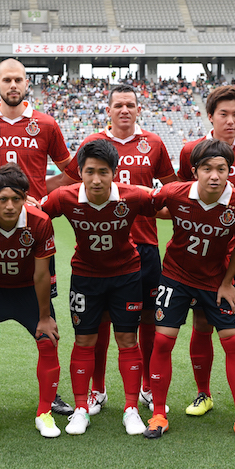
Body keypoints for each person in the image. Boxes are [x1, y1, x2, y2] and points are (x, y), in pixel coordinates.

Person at [0, 58, 73, 417]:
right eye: (7, 79)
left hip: (33, 230)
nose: (13, 85)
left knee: (44, 314)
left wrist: (43, 199)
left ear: (26, 84)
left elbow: (72, 172)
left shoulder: (46, 124)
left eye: (19, 79)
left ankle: (50, 398)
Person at [53, 84, 177, 416]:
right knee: (101, 322)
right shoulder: (93, 145)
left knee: (147, 319)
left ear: (139, 110)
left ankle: (147, 386)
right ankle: (97, 389)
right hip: (100, 252)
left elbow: (170, 190)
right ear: (108, 111)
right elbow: (66, 185)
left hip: (145, 247)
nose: (124, 110)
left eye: (130, 105)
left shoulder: (155, 143)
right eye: (118, 105)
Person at [144, 139, 235, 441]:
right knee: (162, 342)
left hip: (215, 282)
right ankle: (158, 413)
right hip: (175, 277)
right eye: (207, 168)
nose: (214, 175)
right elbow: (147, 203)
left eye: (221, 169)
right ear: (195, 171)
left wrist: (227, 282)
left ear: (229, 170)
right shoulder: (174, 192)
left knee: (233, 343)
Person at [41, 140, 156, 436]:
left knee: (128, 339)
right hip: (85, 277)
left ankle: (131, 408)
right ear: (79, 172)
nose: (96, 179)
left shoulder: (132, 196)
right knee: (84, 341)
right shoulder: (64, 197)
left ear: (114, 173)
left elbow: (169, 203)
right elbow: (38, 213)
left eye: (103, 172)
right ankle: (81, 408)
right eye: (89, 171)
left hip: (126, 276)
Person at [176, 85, 235, 418]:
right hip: (206, 254)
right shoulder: (191, 149)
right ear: (210, 116)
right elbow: (180, 197)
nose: (231, 121)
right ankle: (203, 394)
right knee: (202, 321)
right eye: (223, 114)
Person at [0, 164, 62, 439]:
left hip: (27, 290)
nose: (9, 206)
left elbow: (42, 274)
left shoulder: (40, 221)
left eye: (16, 199)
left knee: (47, 339)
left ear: (26, 198)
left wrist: (44, 317)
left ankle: (44, 413)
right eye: (2, 199)